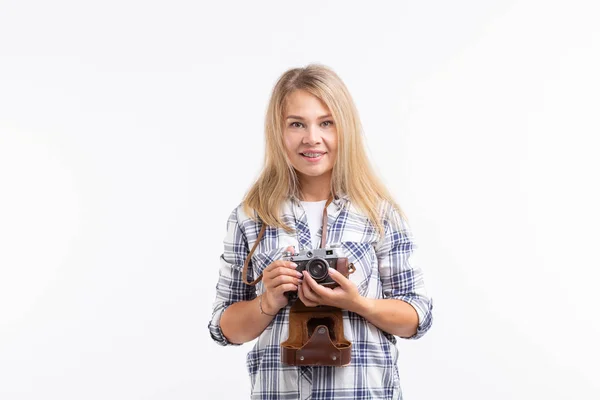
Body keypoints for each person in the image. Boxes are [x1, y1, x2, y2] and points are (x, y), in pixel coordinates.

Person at [208, 64, 433, 399]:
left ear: (345, 128)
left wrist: (358, 303)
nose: (312, 138)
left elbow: (418, 315)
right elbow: (224, 327)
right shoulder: (251, 216)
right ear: (277, 131)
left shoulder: (378, 212)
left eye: (326, 123)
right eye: (297, 124)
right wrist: (267, 301)